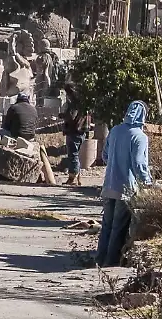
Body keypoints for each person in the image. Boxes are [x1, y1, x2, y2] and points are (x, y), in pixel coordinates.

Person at [98, 101, 155, 268]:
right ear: (143, 116)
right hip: (126, 188)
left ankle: (100, 258)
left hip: (108, 186)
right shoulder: (140, 137)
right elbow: (139, 164)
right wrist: (147, 182)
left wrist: (114, 166)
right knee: (118, 227)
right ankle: (111, 262)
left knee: (106, 225)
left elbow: (105, 155)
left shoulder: (115, 130)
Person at [0, 90, 55, 185]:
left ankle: (1, 157)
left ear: (18, 100)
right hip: (31, 137)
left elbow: (6, 125)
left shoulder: (13, 108)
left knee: (2, 131)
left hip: (17, 136)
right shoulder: (33, 109)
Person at [59, 81, 90, 187]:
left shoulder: (74, 104)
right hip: (82, 131)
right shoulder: (85, 103)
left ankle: (72, 178)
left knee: (73, 155)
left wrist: (62, 115)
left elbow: (71, 117)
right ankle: (77, 178)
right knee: (76, 155)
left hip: (74, 131)